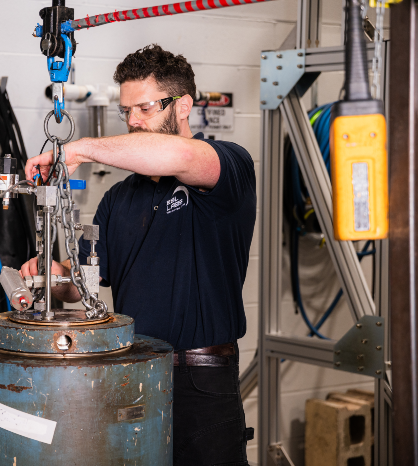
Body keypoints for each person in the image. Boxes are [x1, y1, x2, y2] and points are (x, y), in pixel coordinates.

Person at [21, 44, 256, 466]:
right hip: (129, 373)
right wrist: (52, 275)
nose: (132, 121)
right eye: (126, 111)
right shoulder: (117, 199)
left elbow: (178, 156)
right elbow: (84, 285)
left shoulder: (225, 166)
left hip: (200, 381)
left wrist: (80, 149)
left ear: (182, 106)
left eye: (144, 108)